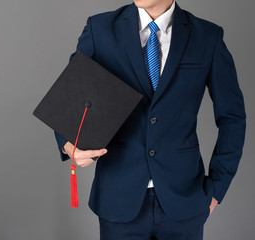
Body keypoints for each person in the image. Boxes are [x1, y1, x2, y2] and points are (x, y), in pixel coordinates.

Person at [53, 0, 246, 239]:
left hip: (185, 198)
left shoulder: (207, 36)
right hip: (119, 198)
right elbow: (70, 96)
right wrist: (68, 143)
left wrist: (217, 188)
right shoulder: (100, 29)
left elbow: (233, 117)